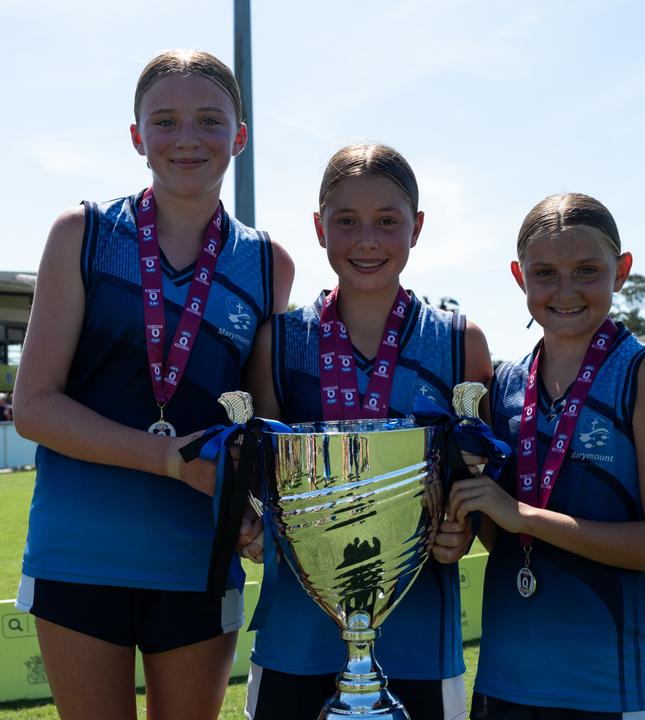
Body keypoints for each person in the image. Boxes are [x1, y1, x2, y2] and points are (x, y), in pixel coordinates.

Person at [11, 49, 293, 720]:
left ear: (240, 137)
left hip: (198, 557)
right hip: (77, 552)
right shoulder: (82, 234)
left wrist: (266, 515)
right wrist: (171, 460)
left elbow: (261, 426)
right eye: (164, 122)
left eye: (209, 120)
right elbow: (34, 406)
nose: (187, 139)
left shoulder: (266, 264)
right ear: (137, 138)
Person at [241, 143, 493, 720]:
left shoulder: (461, 342)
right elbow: (259, 476)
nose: (367, 240)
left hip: (419, 633)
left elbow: (480, 474)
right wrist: (250, 524)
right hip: (296, 637)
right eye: (346, 221)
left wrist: (465, 530)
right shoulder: (278, 342)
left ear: (418, 227)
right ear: (318, 227)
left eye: (388, 221)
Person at [447, 194, 645, 717]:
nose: (564, 291)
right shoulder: (506, 383)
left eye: (586, 270)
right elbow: (501, 536)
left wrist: (523, 515)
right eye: (544, 273)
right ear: (519, 276)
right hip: (506, 680)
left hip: (616, 685)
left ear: (621, 271)